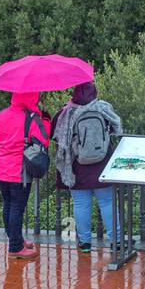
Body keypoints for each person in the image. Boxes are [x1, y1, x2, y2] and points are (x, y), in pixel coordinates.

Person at [52, 81, 122, 254]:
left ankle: (84, 243)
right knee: (107, 203)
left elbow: (56, 136)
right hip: (102, 165)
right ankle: (116, 242)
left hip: (76, 166)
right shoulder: (103, 108)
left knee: (81, 204)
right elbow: (117, 128)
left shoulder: (66, 112)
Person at [0, 90, 51, 260]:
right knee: (17, 208)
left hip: (2, 169)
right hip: (19, 172)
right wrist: (45, 120)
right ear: (31, 97)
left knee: (8, 205)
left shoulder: (0, 116)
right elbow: (43, 139)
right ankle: (15, 248)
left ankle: (16, 239)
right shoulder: (31, 118)